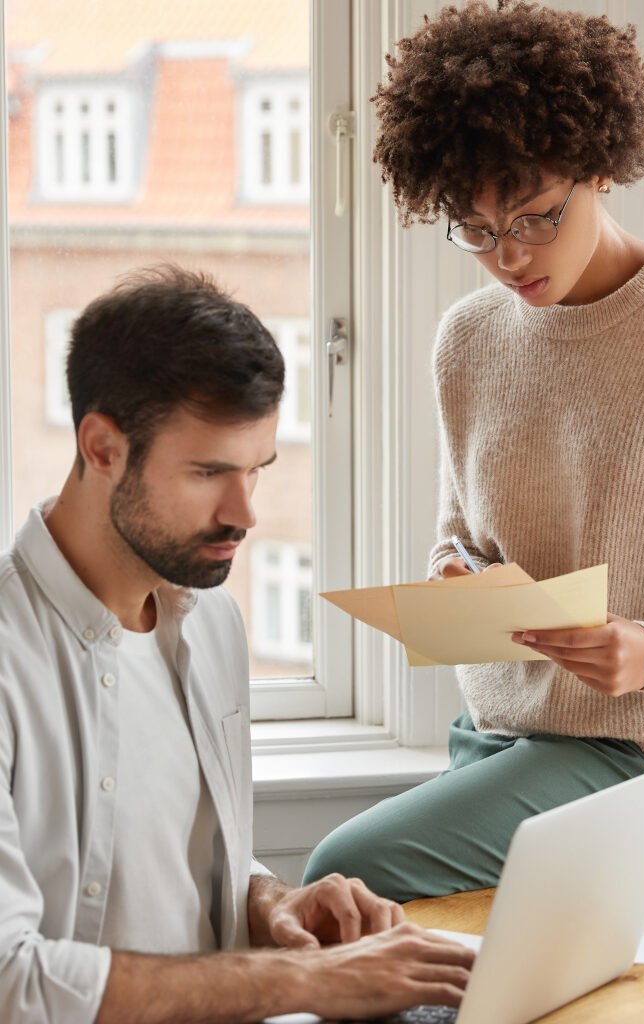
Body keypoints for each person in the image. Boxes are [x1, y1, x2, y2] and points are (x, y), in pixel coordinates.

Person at [304, 0, 644, 903]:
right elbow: (463, 535)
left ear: (598, 168)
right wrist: (455, 575)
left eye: (536, 217)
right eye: (476, 229)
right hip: (499, 734)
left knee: (341, 873)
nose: (509, 255)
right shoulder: (468, 340)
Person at [0, 266, 473, 1024]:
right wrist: (308, 980)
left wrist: (271, 903)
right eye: (210, 472)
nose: (245, 512)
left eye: (257, 470)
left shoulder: (210, 620)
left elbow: (167, 859)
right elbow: (11, 981)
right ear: (102, 447)